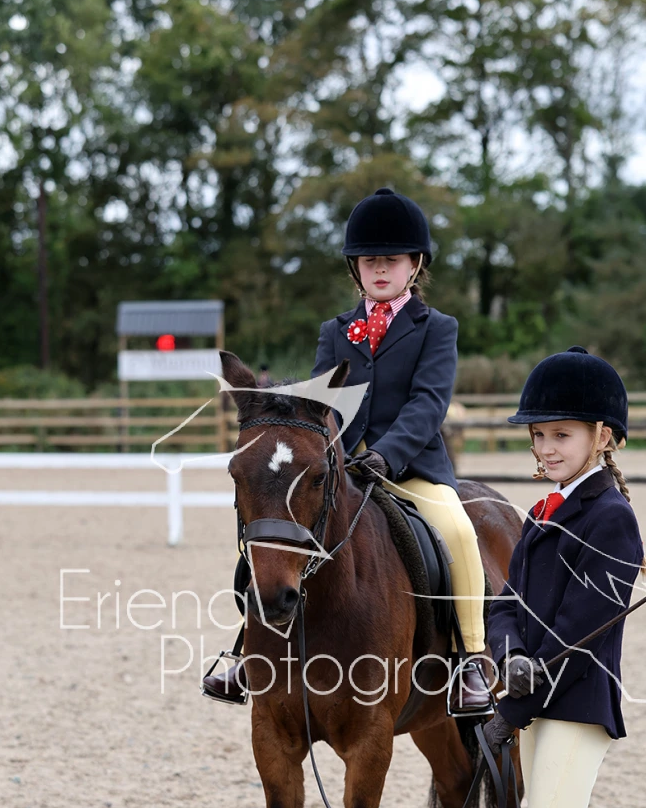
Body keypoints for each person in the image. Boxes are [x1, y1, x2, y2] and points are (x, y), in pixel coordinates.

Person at [203, 187, 491, 713]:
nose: (380, 268)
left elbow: (428, 403)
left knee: (457, 531)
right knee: (274, 531)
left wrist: (387, 453)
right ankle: (249, 649)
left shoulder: (437, 329)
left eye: (391, 259)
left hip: (412, 467)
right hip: (342, 467)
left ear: (415, 264)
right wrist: (328, 451)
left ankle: (471, 658)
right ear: (355, 267)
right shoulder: (335, 330)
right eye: (369, 259)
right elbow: (321, 403)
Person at [481, 346, 644, 808]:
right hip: (540, 706)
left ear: (602, 437)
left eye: (561, 436)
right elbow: (506, 606)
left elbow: (578, 638)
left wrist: (511, 704)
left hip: (575, 711)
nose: (546, 448)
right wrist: (507, 659)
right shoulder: (545, 511)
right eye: (539, 435)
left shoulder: (610, 519)